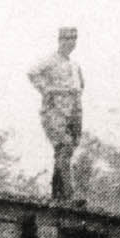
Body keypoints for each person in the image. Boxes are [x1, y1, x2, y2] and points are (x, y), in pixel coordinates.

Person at [28, 27, 84, 204]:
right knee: (64, 147)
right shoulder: (51, 61)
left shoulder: (74, 65)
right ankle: (68, 194)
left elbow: (80, 86)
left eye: (73, 39)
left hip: (73, 110)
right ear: (60, 40)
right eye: (67, 39)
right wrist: (48, 90)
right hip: (54, 111)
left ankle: (57, 194)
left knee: (66, 150)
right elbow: (32, 73)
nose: (70, 43)